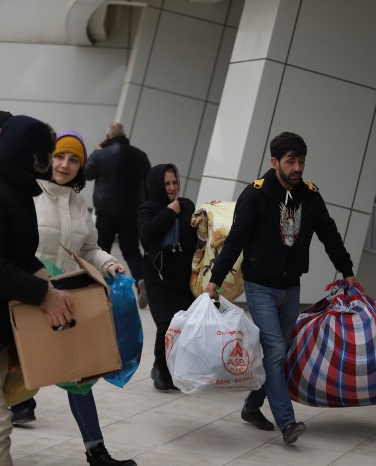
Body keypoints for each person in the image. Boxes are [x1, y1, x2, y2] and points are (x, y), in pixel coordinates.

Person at [206, 131, 357, 445]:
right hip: (260, 285)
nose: (298, 167)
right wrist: (215, 280)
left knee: (282, 352)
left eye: (301, 161)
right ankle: (287, 423)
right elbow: (236, 240)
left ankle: (251, 406)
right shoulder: (256, 195)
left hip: (291, 287)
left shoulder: (310, 196)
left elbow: (329, 234)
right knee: (275, 349)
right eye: (291, 161)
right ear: (275, 161)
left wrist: (347, 270)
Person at [12, 130, 138, 465]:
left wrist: (110, 264)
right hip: (26, 295)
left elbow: (89, 248)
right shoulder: (30, 193)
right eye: (59, 156)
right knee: (6, 374)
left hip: (63, 297)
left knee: (78, 376)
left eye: (73, 160)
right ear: (48, 158)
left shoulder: (80, 204)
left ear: (81, 167)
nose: (64, 164)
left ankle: (96, 452)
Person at [0, 115, 74, 466]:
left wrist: (45, 277)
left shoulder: (11, 182)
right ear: (33, 156)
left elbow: (11, 250)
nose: (52, 162)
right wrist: (42, 293)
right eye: (48, 154)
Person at [138, 164, 196, 391]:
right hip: (158, 277)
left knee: (184, 325)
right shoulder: (147, 208)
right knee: (166, 324)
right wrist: (170, 211)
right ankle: (159, 368)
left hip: (184, 277)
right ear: (156, 185)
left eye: (175, 183)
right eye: (167, 183)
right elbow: (147, 233)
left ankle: (175, 370)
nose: (172, 188)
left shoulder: (188, 205)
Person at [84, 123, 150, 308]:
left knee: (99, 250)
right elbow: (148, 181)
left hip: (106, 211)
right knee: (131, 250)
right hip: (132, 211)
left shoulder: (101, 154)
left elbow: (87, 174)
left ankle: (99, 289)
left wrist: (96, 152)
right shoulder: (140, 155)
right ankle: (141, 280)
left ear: (108, 136)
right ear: (125, 135)